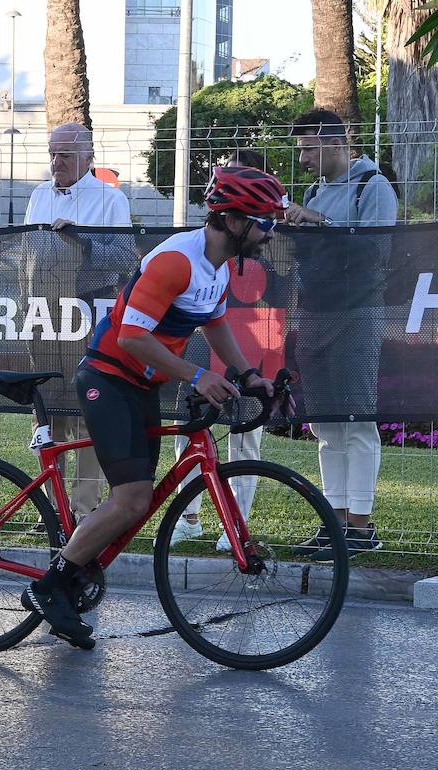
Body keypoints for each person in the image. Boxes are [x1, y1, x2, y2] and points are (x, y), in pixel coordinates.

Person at [21, 166, 285, 647]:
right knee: (132, 498)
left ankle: (78, 570)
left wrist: (246, 375)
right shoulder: (176, 261)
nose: (270, 233)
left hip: (142, 385)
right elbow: (132, 336)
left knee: (136, 501)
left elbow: (216, 323)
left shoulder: (218, 266)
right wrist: (199, 375)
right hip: (108, 378)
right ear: (232, 219)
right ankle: (51, 584)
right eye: (263, 221)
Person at [284, 109, 397, 558]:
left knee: (358, 422)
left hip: (357, 314)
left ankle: (361, 529)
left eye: (309, 148)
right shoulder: (314, 191)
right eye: (301, 149)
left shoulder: (374, 186)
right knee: (327, 427)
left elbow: (376, 250)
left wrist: (316, 222)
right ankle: (336, 524)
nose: (304, 159)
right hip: (315, 314)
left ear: (337, 142)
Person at [169, 148, 284, 551]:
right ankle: (190, 516)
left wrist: (251, 371)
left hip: (254, 334)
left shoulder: (263, 236)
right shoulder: (200, 248)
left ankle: (236, 521)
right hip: (204, 337)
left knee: (245, 433)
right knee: (190, 427)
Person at [23, 122, 133, 524]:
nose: (57, 162)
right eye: (53, 153)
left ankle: (86, 508)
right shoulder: (37, 195)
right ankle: (50, 507)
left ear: (88, 158)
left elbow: (124, 259)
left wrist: (82, 241)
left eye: (66, 155)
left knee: (89, 409)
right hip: (44, 317)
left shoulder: (109, 199)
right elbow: (26, 256)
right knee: (47, 411)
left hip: (87, 319)